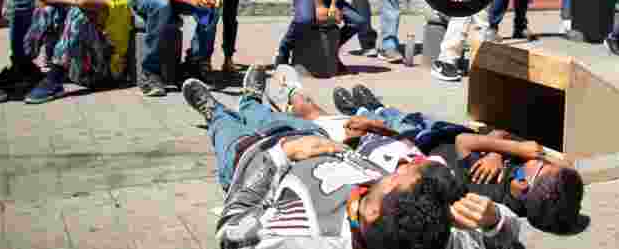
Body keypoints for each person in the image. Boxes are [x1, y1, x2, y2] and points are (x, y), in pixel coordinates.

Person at [180, 66, 519, 249]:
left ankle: (215, 113)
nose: (399, 169)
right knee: (266, 114)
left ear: (372, 212)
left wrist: (280, 156)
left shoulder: (306, 240)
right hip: (316, 139)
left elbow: (232, 233)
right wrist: (494, 221)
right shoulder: (429, 234)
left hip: (254, 158)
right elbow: (504, 238)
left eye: (395, 179)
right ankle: (251, 100)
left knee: (229, 131)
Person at [330, 85, 585, 235]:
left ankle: (361, 110)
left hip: (424, 143)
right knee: (405, 116)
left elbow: (465, 141)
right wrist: (499, 152)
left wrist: (514, 147)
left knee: (391, 123)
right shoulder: (520, 174)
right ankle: (376, 106)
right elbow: (497, 133)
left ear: (522, 184)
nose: (542, 157)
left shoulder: (487, 183)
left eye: (543, 164)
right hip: (442, 131)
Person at [22, 0, 129, 103]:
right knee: (49, 9)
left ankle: (54, 79)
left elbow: (83, 3)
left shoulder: (117, 3)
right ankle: (25, 65)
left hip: (105, 74)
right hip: (80, 68)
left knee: (80, 13)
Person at [427, 0, 477, 81]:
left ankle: (484, 65)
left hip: (458, 0)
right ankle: (445, 62)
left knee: (474, 12)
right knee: (462, 14)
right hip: (436, 2)